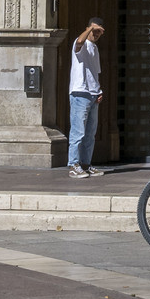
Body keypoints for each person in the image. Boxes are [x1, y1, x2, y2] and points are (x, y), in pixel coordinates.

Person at [66, 17, 105, 178]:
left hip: (93, 94)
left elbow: (94, 73)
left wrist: (99, 90)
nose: (96, 34)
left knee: (90, 133)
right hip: (79, 93)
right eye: (94, 30)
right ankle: (73, 165)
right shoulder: (80, 43)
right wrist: (90, 28)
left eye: (99, 31)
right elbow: (80, 41)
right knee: (78, 132)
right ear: (88, 28)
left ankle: (85, 164)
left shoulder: (94, 49)